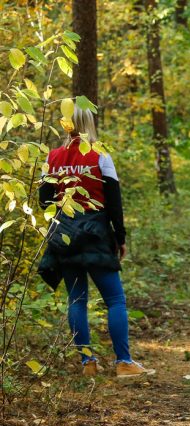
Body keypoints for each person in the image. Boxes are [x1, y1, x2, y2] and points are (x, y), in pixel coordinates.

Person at [37, 107, 156, 378]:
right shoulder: (100, 154)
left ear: (66, 124)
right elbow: (114, 201)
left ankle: (87, 363)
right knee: (115, 299)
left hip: (64, 233)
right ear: (89, 123)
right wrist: (120, 237)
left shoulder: (52, 157)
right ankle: (124, 363)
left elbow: (44, 201)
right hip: (96, 234)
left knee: (76, 299)